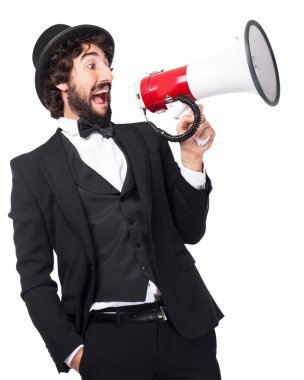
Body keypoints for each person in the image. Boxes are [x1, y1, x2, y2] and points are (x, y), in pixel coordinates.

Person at [8, 24, 224, 380]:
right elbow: (34, 278)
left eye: (108, 64)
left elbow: (190, 229)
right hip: (110, 345)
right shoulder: (33, 170)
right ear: (60, 81)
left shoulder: (146, 138)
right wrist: (75, 354)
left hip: (187, 333)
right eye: (92, 65)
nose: (107, 74)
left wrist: (191, 159)